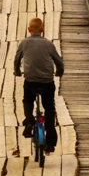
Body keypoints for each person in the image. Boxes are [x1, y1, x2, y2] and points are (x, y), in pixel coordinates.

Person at [14, 17, 64, 153]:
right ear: (42, 30)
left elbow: (17, 59)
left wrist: (17, 71)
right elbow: (58, 61)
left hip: (30, 81)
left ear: (29, 30)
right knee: (49, 108)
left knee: (28, 100)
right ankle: (50, 144)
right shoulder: (48, 44)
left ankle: (29, 121)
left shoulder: (24, 43)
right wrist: (59, 72)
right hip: (47, 82)